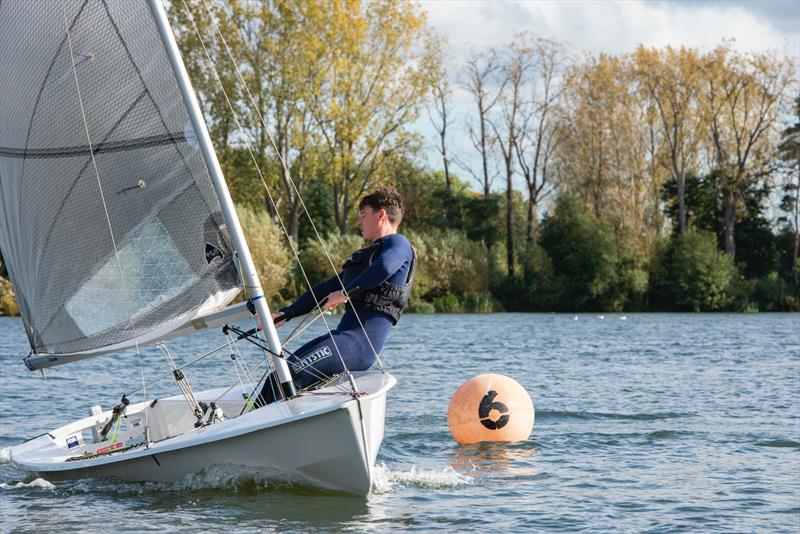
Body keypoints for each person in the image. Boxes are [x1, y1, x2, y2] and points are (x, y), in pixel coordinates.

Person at [256, 186, 415, 404]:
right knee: (280, 375)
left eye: (363, 215)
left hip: (358, 346)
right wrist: (285, 314)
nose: (359, 222)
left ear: (381, 215)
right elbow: (323, 290)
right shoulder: (367, 260)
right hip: (342, 339)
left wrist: (346, 293)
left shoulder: (398, 244)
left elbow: (385, 268)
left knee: (290, 377)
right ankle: (242, 426)